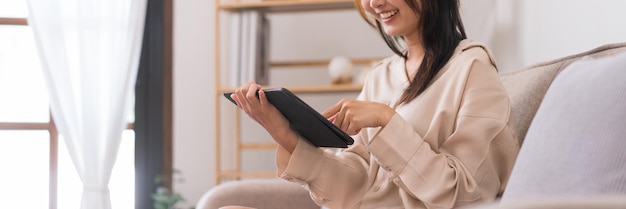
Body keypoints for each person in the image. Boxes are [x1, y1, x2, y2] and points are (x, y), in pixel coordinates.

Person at [228, 0, 520, 208]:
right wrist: (285, 135)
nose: (373, 3)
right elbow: (352, 189)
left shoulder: (472, 68)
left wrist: (387, 121)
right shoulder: (381, 76)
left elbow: (470, 198)